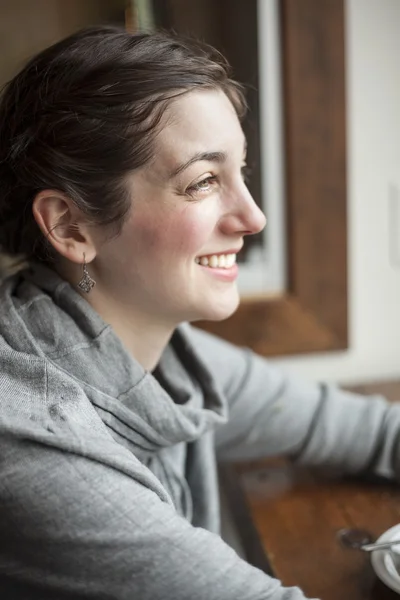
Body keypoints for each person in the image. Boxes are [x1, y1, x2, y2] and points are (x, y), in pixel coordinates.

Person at [0, 25, 398, 600]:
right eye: (203, 181)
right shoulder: (31, 439)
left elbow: (373, 431)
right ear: (70, 225)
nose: (254, 217)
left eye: (243, 172)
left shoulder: (161, 356)